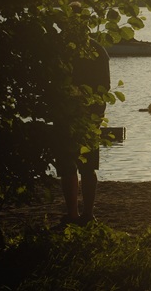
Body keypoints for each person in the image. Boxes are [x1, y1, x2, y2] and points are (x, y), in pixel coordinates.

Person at [55, 38, 110, 226]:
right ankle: (87, 214)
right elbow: (105, 87)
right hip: (90, 117)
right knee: (88, 166)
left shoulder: (61, 48)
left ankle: (73, 214)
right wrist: (98, 114)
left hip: (66, 116)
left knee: (68, 166)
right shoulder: (98, 50)